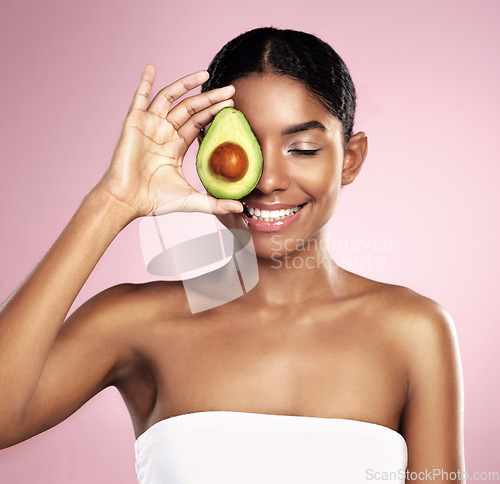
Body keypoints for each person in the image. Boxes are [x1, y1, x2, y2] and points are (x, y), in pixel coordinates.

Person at [0, 27, 465, 483]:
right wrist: (112, 201)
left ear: (350, 159)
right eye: (239, 150)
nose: (267, 181)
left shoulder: (414, 331)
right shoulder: (134, 322)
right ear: (200, 155)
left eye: (301, 148)